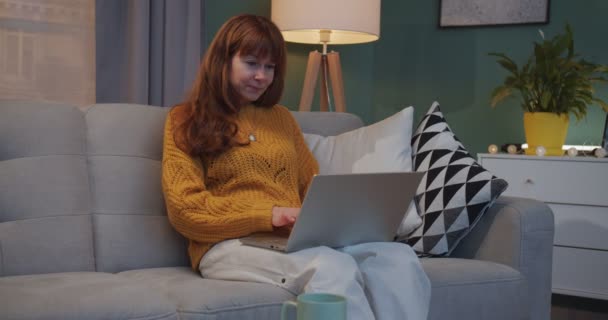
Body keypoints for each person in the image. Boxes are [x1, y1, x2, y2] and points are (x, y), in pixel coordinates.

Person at [161, 14, 431, 320]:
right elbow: (185, 211)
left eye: (270, 67)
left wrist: (335, 218)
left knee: (397, 258)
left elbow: (311, 185)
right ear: (223, 61)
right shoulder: (184, 119)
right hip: (225, 245)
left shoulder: (282, 119)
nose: (262, 76)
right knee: (330, 267)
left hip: (290, 240)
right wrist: (270, 215)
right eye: (251, 63)